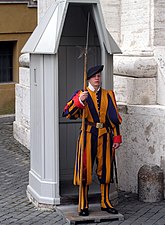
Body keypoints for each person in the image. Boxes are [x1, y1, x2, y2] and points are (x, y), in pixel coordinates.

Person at [63, 65, 122, 216]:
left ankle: (105, 202)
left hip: (105, 136)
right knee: (85, 170)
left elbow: (114, 119)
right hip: (88, 136)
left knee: (106, 170)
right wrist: (79, 102)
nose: (97, 78)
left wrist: (116, 137)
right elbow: (67, 113)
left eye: (99, 76)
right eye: (94, 76)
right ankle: (83, 204)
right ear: (88, 78)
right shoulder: (81, 94)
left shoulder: (109, 95)